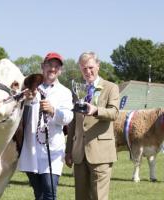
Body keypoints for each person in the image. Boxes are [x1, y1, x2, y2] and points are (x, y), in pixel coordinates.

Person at [18, 52, 74, 200]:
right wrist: (25, 101)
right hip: (31, 148)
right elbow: (16, 113)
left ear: (60, 70)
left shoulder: (65, 92)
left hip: (53, 149)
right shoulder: (30, 89)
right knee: (39, 193)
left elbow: (68, 117)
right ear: (43, 66)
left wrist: (53, 111)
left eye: (56, 66)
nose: (53, 69)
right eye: (49, 65)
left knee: (49, 191)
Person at [65, 51, 119, 200]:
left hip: (101, 154)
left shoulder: (111, 87)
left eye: (90, 67)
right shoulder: (77, 90)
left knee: (98, 197)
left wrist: (96, 111)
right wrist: (68, 150)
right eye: (84, 68)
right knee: (81, 197)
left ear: (98, 66)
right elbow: (73, 123)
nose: (88, 71)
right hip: (79, 154)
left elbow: (114, 113)